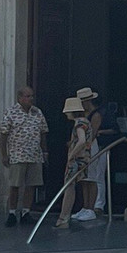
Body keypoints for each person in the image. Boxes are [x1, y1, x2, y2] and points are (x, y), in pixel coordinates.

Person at [0, 86, 48, 227]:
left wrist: (45, 152)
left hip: (34, 155)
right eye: (27, 96)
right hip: (17, 154)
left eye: (32, 96)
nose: (31, 99)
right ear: (20, 98)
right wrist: (4, 154)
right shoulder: (11, 113)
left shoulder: (37, 112)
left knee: (31, 185)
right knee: (15, 185)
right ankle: (12, 212)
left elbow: (43, 132)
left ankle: (26, 212)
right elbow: (4, 134)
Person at [55, 96, 91, 229]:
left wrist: (72, 153)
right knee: (71, 187)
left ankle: (64, 217)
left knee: (69, 187)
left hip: (77, 159)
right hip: (84, 158)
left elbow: (81, 141)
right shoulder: (86, 121)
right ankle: (65, 216)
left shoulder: (79, 123)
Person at [72, 86, 102, 221]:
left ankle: (91, 207)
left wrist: (83, 146)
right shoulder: (83, 116)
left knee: (92, 177)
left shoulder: (95, 115)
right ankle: (85, 207)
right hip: (83, 147)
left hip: (90, 147)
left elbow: (93, 134)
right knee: (84, 178)